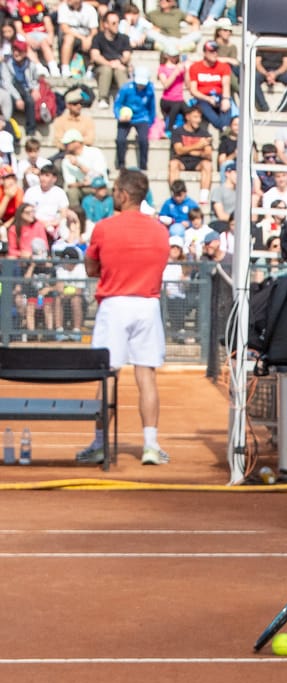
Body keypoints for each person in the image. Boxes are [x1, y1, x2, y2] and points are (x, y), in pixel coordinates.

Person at [77, 168, 170, 466]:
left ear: (124, 194)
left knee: (107, 377)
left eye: (116, 190)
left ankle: (100, 444)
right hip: (147, 304)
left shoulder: (104, 227)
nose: (113, 193)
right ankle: (151, 445)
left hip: (115, 304)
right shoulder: (160, 230)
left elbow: (91, 268)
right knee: (147, 376)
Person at [114, 66, 156, 172]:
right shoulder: (126, 88)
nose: (140, 86)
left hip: (142, 117)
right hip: (126, 117)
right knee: (120, 139)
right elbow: (117, 104)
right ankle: (121, 163)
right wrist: (119, 116)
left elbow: (152, 107)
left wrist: (150, 123)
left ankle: (143, 165)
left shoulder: (150, 89)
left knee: (143, 140)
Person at [168, 104, 213, 204]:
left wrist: (188, 150)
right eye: (195, 117)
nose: (198, 120)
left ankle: (203, 197)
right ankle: (176, 194)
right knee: (173, 164)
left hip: (198, 163)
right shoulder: (178, 132)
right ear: (187, 117)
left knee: (207, 164)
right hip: (181, 162)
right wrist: (198, 146)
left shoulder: (205, 133)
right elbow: (178, 150)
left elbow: (208, 154)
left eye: (200, 117)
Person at [89, 10, 132, 109]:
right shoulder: (97, 38)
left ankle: (125, 100)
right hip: (103, 68)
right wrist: (109, 63)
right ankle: (103, 98)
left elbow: (127, 56)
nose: (117, 25)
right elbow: (95, 56)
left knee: (120, 70)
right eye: (113, 23)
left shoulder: (124, 38)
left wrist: (119, 62)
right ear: (106, 25)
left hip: (119, 67)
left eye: (118, 22)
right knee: (106, 69)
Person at [188, 40, 232, 131]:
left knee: (227, 105)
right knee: (203, 106)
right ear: (205, 53)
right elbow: (193, 90)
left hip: (219, 95)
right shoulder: (195, 67)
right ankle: (224, 128)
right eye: (211, 51)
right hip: (203, 97)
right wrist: (207, 98)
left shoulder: (223, 66)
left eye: (216, 51)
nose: (215, 54)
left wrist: (226, 99)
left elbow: (226, 84)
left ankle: (224, 127)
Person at [57, 0, 98, 79]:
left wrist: (89, 39)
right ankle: (65, 68)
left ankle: (90, 70)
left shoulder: (90, 9)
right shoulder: (63, 8)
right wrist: (82, 38)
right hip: (70, 37)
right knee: (69, 38)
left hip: (86, 37)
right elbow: (65, 28)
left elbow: (94, 30)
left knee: (96, 40)